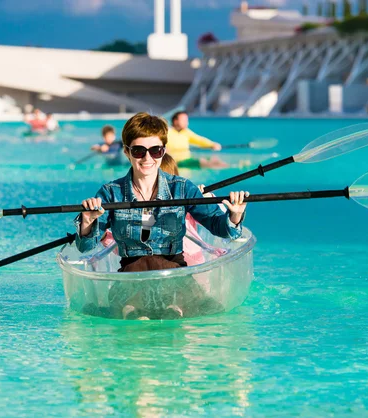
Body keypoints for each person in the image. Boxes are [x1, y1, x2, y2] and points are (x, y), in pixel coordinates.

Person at [75, 112, 248, 319]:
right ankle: (141, 311)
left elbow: (220, 228)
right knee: (134, 304)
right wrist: (87, 221)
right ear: (127, 152)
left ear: (163, 151)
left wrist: (234, 216)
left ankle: (157, 310)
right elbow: (85, 245)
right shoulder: (110, 193)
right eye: (139, 151)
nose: (147, 158)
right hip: (132, 276)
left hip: (176, 275)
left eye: (155, 151)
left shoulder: (183, 188)